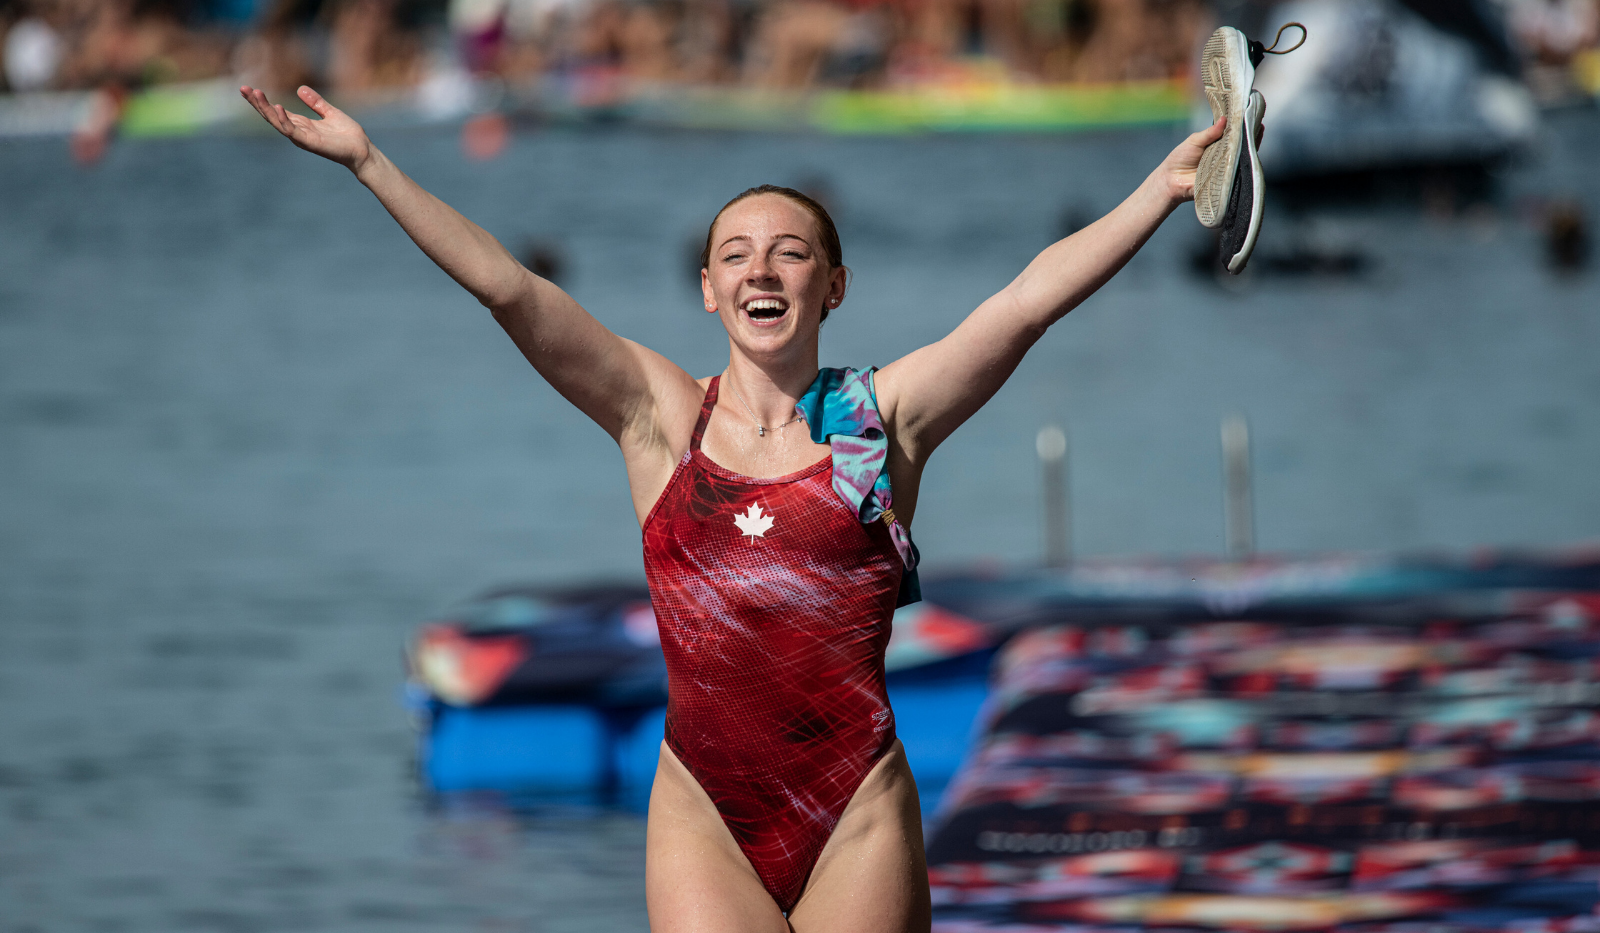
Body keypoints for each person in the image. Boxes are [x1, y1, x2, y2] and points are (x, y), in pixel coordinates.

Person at [239, 82, 1227, 933]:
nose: (761, 269)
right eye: (737, 255)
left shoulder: (882, 419)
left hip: (856, 807)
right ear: (709, 288)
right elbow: (513, 292)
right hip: (703, 813)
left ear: (833, 286)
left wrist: (1160, 189)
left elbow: (1024, 305)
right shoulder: (659, 418)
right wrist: (370, 163)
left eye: (790, 253)